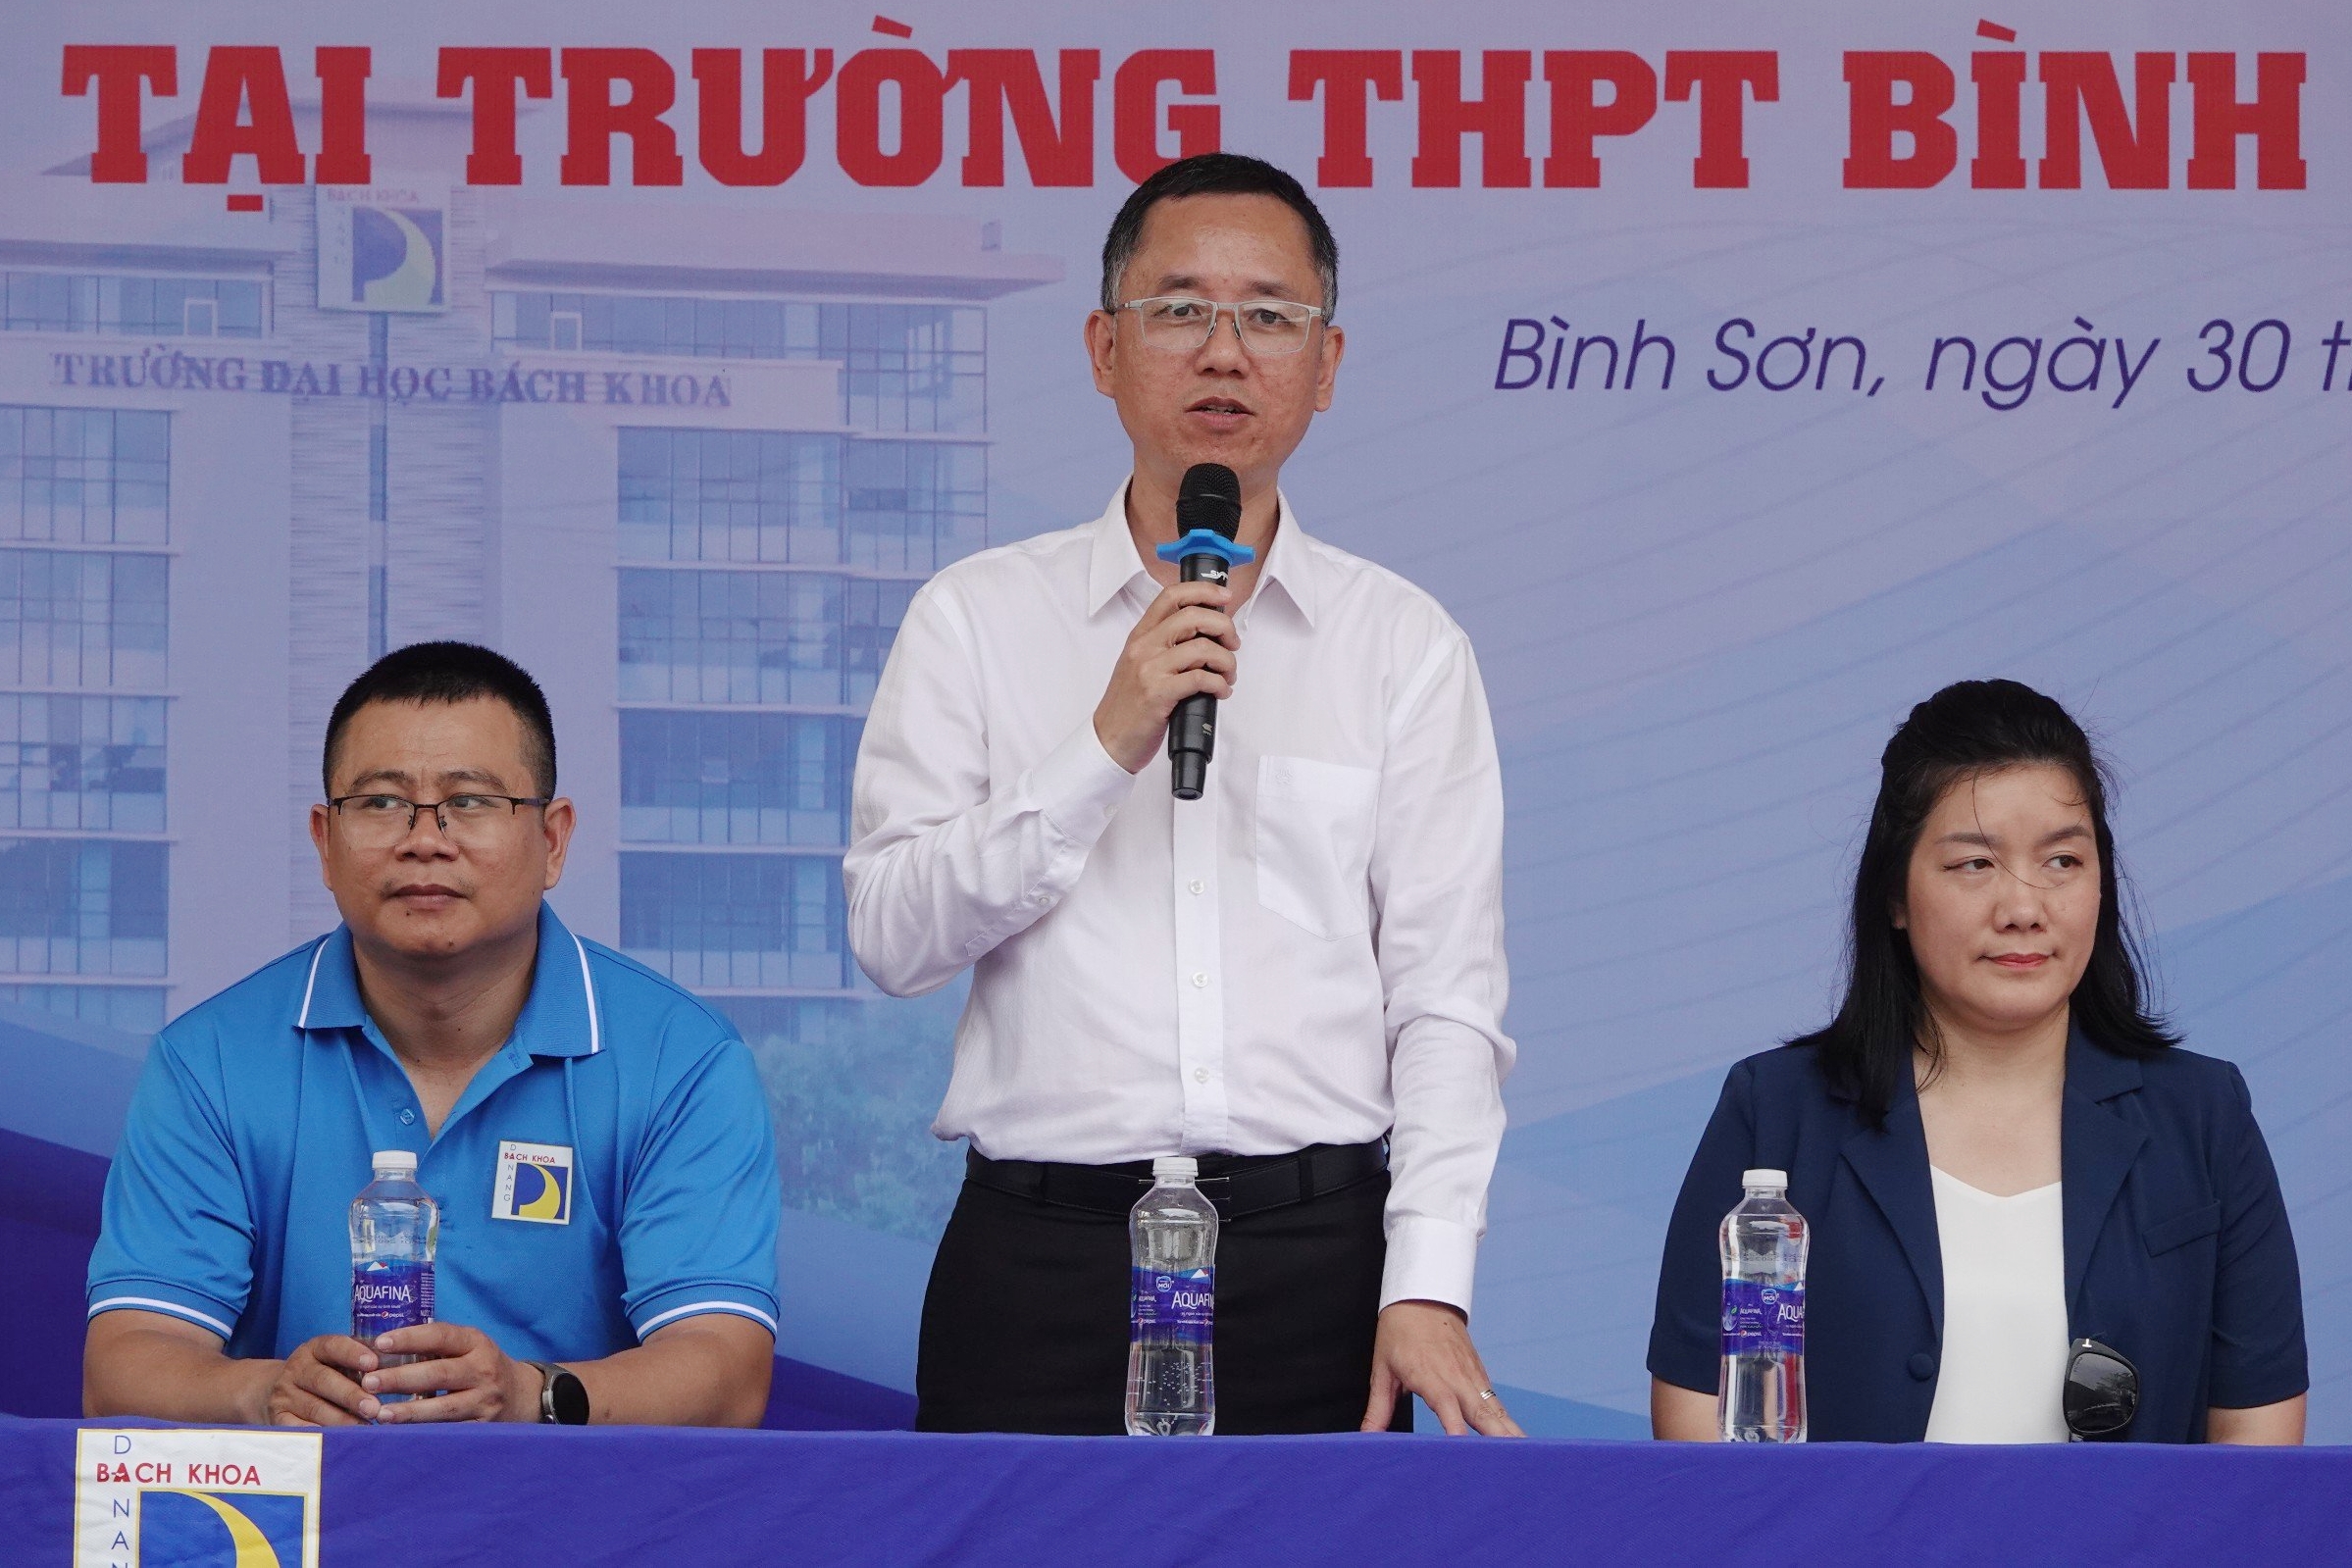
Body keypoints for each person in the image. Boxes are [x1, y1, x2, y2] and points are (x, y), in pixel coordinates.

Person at [845, 153, 1519, 1437]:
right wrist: (1103, 741)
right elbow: (891, 935)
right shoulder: (975, 618)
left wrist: (1427, 1278)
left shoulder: (1402, 645)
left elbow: (1445, 997)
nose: (1224, 351)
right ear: (1104, 348)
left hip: (1315, 1262)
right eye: (1179, 309)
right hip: (1040, 1258)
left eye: (1269, 315)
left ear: (1326, 364)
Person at [83, 642, 782, 1428]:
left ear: (553, 839)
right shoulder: (210, 1062)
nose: (425, 838)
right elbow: (125, 1361)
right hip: (318, 1501)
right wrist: (267, 1391)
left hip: (571, 1504)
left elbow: (725, 1371)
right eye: (381, 802)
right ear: (324, 839)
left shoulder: (680, 1062)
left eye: (471, 801)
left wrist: (531, 1395)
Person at [1649, 680, 2306, 1443]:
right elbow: (1699, 1424)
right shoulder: (1777, 1111)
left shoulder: (2203, 1116)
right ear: (1896, 894)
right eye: (1974, 864)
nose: (2024, 907)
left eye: (2062, 860)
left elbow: (2259, 1445)